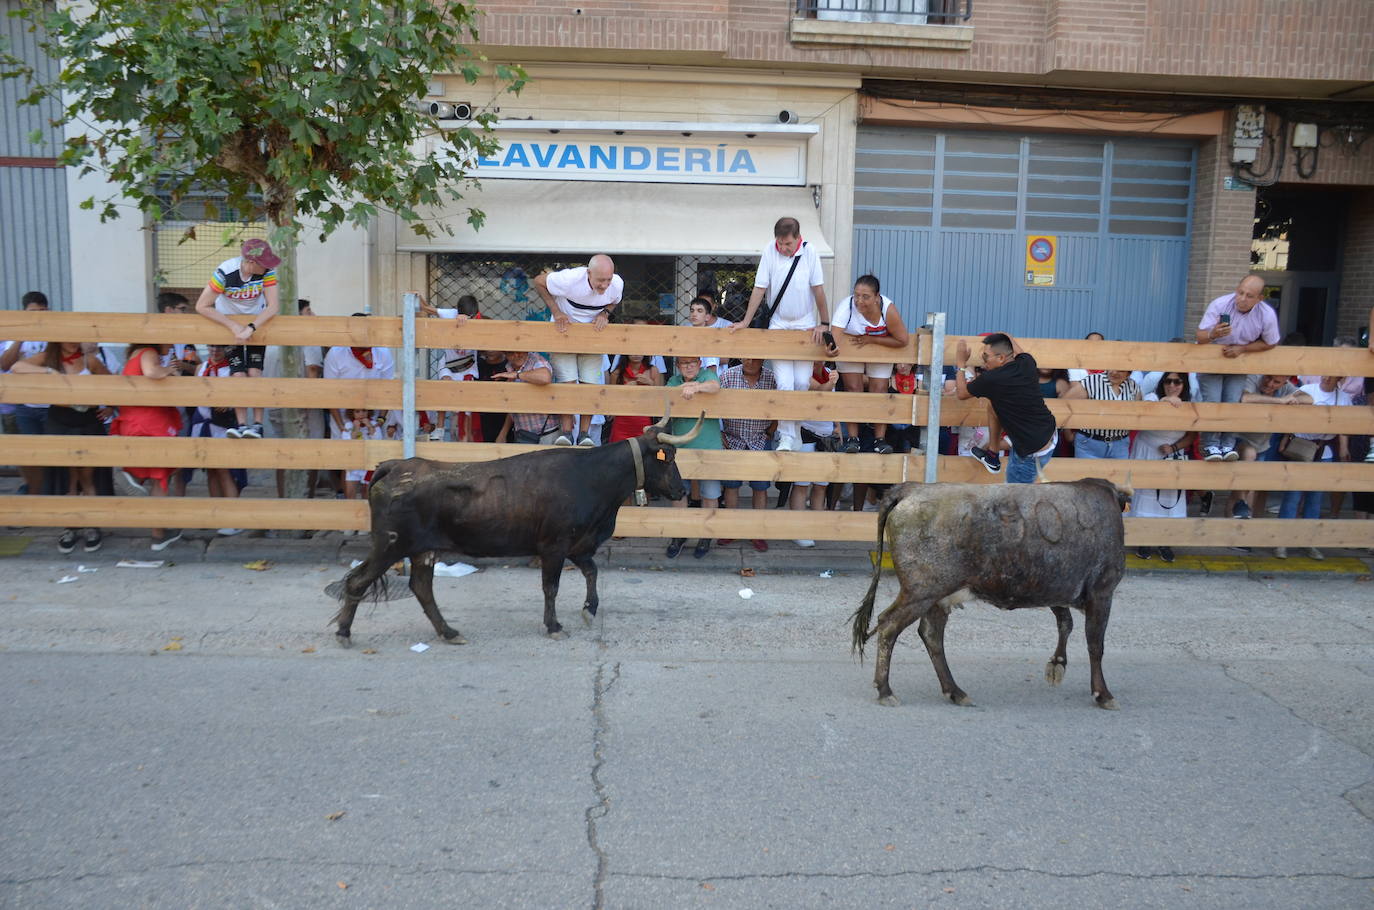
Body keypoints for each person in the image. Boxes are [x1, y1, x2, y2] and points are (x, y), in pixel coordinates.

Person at [731, 216, 829, 453]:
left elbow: (818, 289)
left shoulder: (810, 251)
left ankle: (794, 428)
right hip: (779, 324)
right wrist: (745, 321)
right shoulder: (769, 250)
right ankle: (786, 436)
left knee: (801, 382)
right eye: (781, 244)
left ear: (798, 238)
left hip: (805, 323)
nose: (784, 248)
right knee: (785, 383)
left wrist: (824, 322)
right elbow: (760, 288)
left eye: (788, 244)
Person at [10, 340, 112, 552]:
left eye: (77, 338)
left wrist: (110, 407)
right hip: (59, 420)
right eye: (68, 338)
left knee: (87, 475)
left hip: (87, 421)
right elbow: (16, 367)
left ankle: (92, 525)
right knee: (68, 477)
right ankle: (70, 527)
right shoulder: (48, 358)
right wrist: (48, 371)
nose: (73, 343)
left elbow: (112, 384)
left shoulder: (90, 360)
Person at [193, 238, 283, 440]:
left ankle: (258, 425)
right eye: (264, 262)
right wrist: (233, 326)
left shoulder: (268, 272)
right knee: (238, 374)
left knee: (254, 372)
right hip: (230, 327)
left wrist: (251, 327)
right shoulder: (226, 271)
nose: (268, 266)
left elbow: (273, 306)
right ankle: (241, 424)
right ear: (251, 262)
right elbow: (201, 305)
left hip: (257, 324)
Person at [532, 254, 623, 446]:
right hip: (564, 332)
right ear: (588, 273)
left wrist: (605, 313)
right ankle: (566, 432)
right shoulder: (569, 279)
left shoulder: (616, 284)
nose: (605, 285)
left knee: (590, 384)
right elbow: (539, 281)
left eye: (608, 279)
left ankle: (584, 434)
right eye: (600, 280)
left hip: (592, 337)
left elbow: (614, 300)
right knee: (568, 382)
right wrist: (556, 312)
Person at [1195, 274, 1280, 462]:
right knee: (1214, 401)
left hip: (1238, 362)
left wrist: (1243, 349)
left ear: (1260, 299)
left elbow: (1271, 342)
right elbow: (1200, 336)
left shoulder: (1266, 314)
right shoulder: (1220, 304)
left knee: (1233, 402)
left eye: (1249, 296)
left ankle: (1227, 444)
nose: (1242, 298)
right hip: (1211, 360)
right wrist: (1213, 333)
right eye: (1240, 292)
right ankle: (1210, 445)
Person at [108, 343, 184, 551]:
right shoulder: (148, 352)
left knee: (157, 473)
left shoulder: (135, 355)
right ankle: (158, 534)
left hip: (135, 420)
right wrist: (171, 370)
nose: (172, 345)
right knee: (160, 477)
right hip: (151, 421)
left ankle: (132, 477)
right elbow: (152, 372)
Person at [954, 333, 1057, 483]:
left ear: (1001, 358)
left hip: (1030, 452)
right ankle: (993, 454)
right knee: (993, 405)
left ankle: (993, 453)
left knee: (1015, 501)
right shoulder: (1026, 363)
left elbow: (962, 393)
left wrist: (961, 363)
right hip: (1048, 434)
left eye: (986, 357)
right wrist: (1004, 336)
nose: (983, 363)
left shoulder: (992, 379)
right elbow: (1018, 350)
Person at [829, 275, 910, 454]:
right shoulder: (846, 307)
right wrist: (832, 350)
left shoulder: (887, 309)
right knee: (853, 389)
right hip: (852, 348)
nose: (859, 301)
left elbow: (903, 340)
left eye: (865, 296)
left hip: (880, 348)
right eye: (856, 295)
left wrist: (871, 340)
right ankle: (852, 438)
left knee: (879, 390)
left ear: (877, 297)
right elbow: (834, 336)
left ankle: (879, 439)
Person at [1275, 375, 1349, 561]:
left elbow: (1344, 425)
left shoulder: (1343, 398)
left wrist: (1343, 447)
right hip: (1302, 447)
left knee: (1314, 499)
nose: (1327, 378)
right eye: (1326, 375)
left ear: (1339, 379)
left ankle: (1310, 541)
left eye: (1332, 377)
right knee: (1293, 497)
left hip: (1323, 451)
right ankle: (1282, 542)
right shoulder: (1308, 390)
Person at [1128, 373, 1197, 562]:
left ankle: (1165, 541)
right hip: (1148, 448)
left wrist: (1173, 448)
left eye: (1177, 381)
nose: (1172, 385)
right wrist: (1164, 402)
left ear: (1184, 385)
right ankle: (1143, 540)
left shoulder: (1190, 404)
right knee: (1145, 495)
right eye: (1168, 381)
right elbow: (1141, 416)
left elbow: (1191, 436)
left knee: (1170, 496)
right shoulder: (1152, 398)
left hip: (1173, 451)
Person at [664, 355, 723, 559]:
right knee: (679, 493)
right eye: (684, 364)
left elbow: (715, 385)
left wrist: (696, 388)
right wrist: (686, 388)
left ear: (699, 364)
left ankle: (705, 535)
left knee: (710, 494)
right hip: (681, 447)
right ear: (678, 366)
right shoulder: (674, 380)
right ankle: (680, 535)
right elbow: (671, 394)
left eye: (692, 363)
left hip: (709, 447)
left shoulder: (707, 375)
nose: (688, 367)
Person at [717, 358, 777, 552]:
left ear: (763, 359)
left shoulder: (771, 379)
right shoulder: (727, 376)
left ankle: (757, 532)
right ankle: (731, 530)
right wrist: (719, 434)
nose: (750, 361)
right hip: (732, 438)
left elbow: (780, 406)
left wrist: (770, 431)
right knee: (731, 486)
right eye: (746, 356)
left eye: (755, 357)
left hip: (760, 438)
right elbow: (712, 406)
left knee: (760, 487)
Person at [1227, 374, 1304, 522]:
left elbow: (1309, 399)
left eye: (1276, 382)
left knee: (1247, 490)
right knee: (1247, 465)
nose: (1270, 384)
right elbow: (1246, 398)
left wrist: (1294, 399)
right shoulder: (1253, 378)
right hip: (1237, 438)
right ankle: (1237, 526)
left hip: (1261, 444)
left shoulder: (1287, 387)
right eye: (1268, 378)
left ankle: (1241, 531)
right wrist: (1281, 401)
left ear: (1284, 383)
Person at [190, 345, 248, 533]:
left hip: (223, 425)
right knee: (211, 471)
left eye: (219, 347)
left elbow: (240, 395)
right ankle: (216, 515)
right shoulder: (202, 367)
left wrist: (228, 402)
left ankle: (232, 519)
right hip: (204, 422)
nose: (215, 350)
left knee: (225, 470)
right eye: (211, 346)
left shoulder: (233, 369)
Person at [1, 291, 52, 495]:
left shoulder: (55, 332)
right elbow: (5, 363)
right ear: (24, 312)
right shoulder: (12, 334)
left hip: (50, 403)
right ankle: (32, 489)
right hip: (14, 404)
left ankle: (47, 491)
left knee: (50, 451)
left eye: (42, 311)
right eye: (32, 311)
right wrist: (20, 338)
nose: (37, 315)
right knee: (22, 452)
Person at [789, 361, 839, 548]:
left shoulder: (828, 372)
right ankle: (797, 530)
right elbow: (819, 391)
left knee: (821, 485)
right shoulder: (802, 373)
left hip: (827, 433)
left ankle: (818, 527)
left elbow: (834, 404)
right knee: (802, 484)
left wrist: (838, 427)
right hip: (806, 430)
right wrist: (832, 383)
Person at [322, 314, 396, 438]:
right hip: (343, 417)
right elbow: (329, 392)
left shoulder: (383, 352)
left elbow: (388, 389)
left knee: (376, 456)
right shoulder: (336, 353)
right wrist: (341, 426)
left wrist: (380, 420)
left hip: (373, 419)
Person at [1062, 368, 1141, 459]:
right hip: (1090, 443)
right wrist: (1067, 433)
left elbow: (1137, 415)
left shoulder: (1133, 386)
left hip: (1120, 445)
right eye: (1112, 367)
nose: (1114, 372)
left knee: (1121, 473)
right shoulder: (1092, 381)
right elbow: (1065, 404)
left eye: (1121, 370)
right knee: (1087, 474)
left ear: (1129, 373)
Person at [491, 350, 555, 444]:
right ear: (505, 354)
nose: (516, 355)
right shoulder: (509, 367)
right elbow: (514, 405)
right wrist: (503, 433)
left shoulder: (535, 360)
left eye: (520, 351)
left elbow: (545, 377)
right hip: (523, 435)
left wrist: (517, 375)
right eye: (511, 353)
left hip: (547, 433)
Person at [606, 353, 663, 444]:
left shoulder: (653, 371)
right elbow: (610, 402)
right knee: (619, 454)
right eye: (632, 351)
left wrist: (650, 383)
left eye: (639, 351)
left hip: (644, 422)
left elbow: (659, 400)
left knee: (644, 454)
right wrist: (625, 390)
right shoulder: (617, 373)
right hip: (622, 422)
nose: (636, 354)